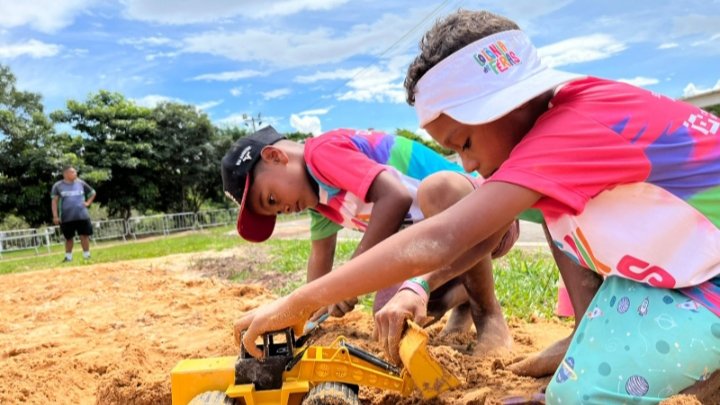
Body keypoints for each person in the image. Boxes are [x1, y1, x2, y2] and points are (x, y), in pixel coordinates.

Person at [234, 9, 720, 403]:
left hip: (708, 279)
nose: (466, 163)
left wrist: (298, 302)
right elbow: (476, 238)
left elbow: (443, 237)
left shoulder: (570, 130)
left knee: (580, 395)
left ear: (504, 101)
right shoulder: (555, 126)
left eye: (463, 142)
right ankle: (586, 341)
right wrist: (419, 286)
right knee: (584, 357)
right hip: (684, 271)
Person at [221, 126, 520, 355]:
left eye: (271, 199)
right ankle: (464, 295)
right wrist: (303, 317)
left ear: (275, 157)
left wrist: (346, 286)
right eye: (275, 212)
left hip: (488, 219)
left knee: (437, 190)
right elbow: (319, 271)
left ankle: (487, 313)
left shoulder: (322, 153)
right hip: (443, 252)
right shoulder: (319, 203)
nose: (283, 210)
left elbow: (395, 196)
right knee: (389, 309)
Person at [51, 165, 96, 262]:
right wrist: (55, 216)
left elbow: (93, 192)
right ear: (66, 174)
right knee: (68, 238)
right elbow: (54, 201)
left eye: (75, 172)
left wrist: (88, 203)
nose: (75, 174)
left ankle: (87, 256)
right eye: (73, 172)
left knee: (84, 235)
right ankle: (68, 257)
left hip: (82, 215)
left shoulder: (81, 183)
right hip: (66, 217)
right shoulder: (58, 186)